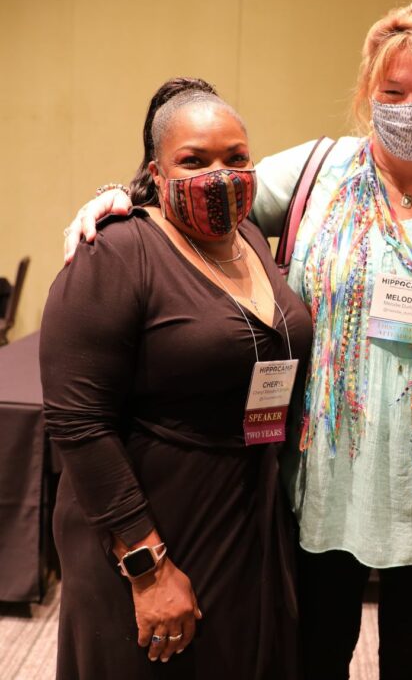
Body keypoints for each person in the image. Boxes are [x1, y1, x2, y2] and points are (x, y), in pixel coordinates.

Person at [63, 2, 412, 680]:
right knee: (308, 661)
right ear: (367, 93)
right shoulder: (312, 174)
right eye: (393, 93)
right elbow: (198, 195)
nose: (411, 108)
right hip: (319, 489)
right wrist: (116, 198)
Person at [40, 78, 313, 679]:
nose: (220, 175)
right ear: (156, 172)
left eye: (236, 158)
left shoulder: (246, 237)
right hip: (148, 522)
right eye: (193, 160)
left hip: (244, 512)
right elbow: (77, 422)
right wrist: (147, 565)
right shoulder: (113, 252)